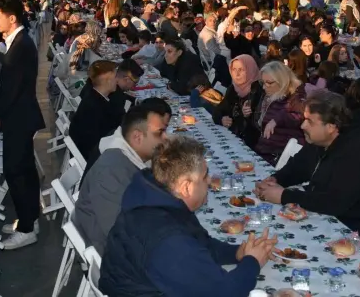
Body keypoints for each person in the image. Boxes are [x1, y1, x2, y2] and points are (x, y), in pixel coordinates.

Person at [99, 136, 277, 297]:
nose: (209, 181)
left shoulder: (155, 197)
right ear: (186, 187)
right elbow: (225, 291)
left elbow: (199, 243)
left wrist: (236, 253)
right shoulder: (168, 239)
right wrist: (252, 262)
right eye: (204, 176)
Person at [254, 90, 360, 242]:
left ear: (331, 127)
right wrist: (275, 179)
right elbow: (299, 167)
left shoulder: (358, 152)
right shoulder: (320, 141)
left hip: (358, 232)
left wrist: (284, 196)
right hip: (328, 216)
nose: (303, 125)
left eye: (310, 121)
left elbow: (334, 201)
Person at [73, 100, 171, 255]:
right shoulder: (110, 171)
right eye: (159, 133)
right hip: (113, 255)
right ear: (137, 137)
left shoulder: (128, 156)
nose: (166, 137)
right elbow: (119, 233)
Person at [0, 0, 46, 249]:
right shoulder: (18, 42)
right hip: (20, 115)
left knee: (16, 172)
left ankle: (26, 227)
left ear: (12, 19)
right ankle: (29, 218)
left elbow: (13, 86)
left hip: (19, 116)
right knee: (24, 170)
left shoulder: (22, 44)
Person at [69, 60, 123, 163]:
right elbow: (95, 143)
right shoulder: (94, 107)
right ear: (108, 81)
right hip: (93, 159)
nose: (117, 80)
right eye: (115, 76)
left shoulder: (94, 96)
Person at [254, 61, 306, 163]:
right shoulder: (270, 97)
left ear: (282, 81)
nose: (264, 87)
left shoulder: (296, 97)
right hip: (265, 152)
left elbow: (298, 115)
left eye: (269, 83)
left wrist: (276, 120)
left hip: (280, 157)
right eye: (263, 83)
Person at [213, 55, 265, 149]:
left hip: (252, 145)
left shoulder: (259, 91)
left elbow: (256, 127)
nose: (236, 74)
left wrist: (246, 115)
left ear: (250, 70)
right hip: (232, 139)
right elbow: (218, 110)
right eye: (234, 69)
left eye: (241, 70)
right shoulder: (233, 89)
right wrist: (222, 119)